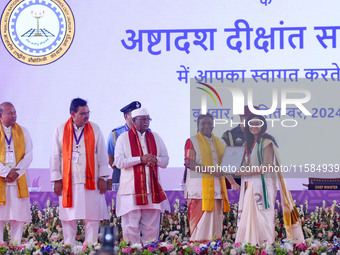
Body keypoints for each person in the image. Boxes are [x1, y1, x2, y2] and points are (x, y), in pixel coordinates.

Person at [235, 114, 304, 245]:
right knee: (252, 216)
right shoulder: (249, 144)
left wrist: (243, 171)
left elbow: (266, 167)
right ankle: (251, 244)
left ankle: (266, 246)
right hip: (252, 184)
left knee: (264, 215)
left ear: (263, 125)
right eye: (252, 124)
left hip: (264, 185)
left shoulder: (267, 142)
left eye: (257, 123)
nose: (254, 126)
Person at [50, 98, 111, 245]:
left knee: (92, 217)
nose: (87, 116)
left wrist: (103, 177)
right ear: (73, 113)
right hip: (68, 182)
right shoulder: (60, 130)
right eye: (83, 113)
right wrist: (56, 179)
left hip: (91, 182)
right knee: (69, 217)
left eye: (88, 113)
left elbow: (102, 154)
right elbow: (55, 156)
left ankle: (90, 247)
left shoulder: (95, 128)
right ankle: (69, 246)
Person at [115, 108, 170, 244]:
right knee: (130, 227)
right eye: (143, 119)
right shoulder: (123, 138)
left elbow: (165, 160)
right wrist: (140, 159)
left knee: (151, 228)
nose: (147, 122)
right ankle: (131, 252)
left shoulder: (155, 137)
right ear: (134, 121)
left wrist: (155, 159)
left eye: (148, 119)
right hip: (130, 192)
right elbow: (119, 162)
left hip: (152, 190)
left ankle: (149, 251)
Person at [184, 113, 239, 242]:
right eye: (203, 123)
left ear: (214, 125)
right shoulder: (192, 141)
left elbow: (225, 166)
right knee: (200, 224)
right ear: (198, 125)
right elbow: (188, 163)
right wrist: (212, 171)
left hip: (216, 190)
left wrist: (232, 182)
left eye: (209, 123)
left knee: (215, 224)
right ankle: (198, 249)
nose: (207, 126)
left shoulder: (220, 142)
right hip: (198, 191)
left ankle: (213, 249)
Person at [0, 102, 32, 245]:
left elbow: (29, 155)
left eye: (14, 112)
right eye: (10, 113)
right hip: (2, 181)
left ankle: (16, 247)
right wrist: (6, 172)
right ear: (1, 115)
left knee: (18, 218)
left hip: (18, 181)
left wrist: (15, 173)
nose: (14, 115)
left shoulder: (23, 131)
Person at [222, 106, 258, 188]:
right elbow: (223, 161)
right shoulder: (229, 135)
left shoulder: (259, 136)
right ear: (244, 117)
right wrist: (232, 183)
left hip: (253, 178)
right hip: (234, 179)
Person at [107, 101, 141, 189]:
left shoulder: (147, 132)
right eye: (134, 114)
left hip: (141, 172)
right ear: (126, 116)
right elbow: (110, 159)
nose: (138, 117)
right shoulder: (116, 134)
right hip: (121, 173)